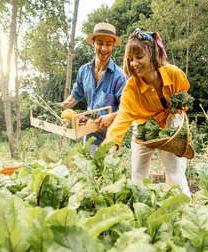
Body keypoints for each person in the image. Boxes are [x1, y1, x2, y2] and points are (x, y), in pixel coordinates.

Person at [103, 28, 191, 197]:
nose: (134, 63)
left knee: (174, 172)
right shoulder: (131, 88)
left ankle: (184, 211)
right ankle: (142, 206)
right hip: (144, 127)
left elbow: (184, 92)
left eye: (139, 57)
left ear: (153, 54)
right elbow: (122, 119)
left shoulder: (174, 74)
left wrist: (180, 107)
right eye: (130, 59)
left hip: (170, 124)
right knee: (138, 172)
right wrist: (110, 149)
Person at [61, 23, 127, 155]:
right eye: (100, 43)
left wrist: (110, 117)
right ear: (93, 43)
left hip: (110, 138)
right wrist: (61, 109)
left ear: (113, 45)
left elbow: (126, 109)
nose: (103, 48)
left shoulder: (119, 76)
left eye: (108, 44)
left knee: (106, 173)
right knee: (89, 172)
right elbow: (75, 95)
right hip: (89, 134)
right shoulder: (84, 70)